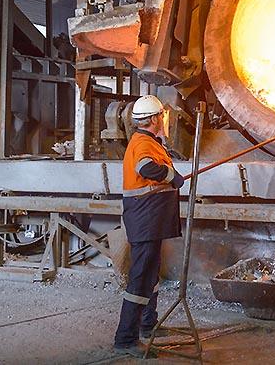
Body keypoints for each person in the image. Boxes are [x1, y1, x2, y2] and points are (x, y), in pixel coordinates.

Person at [113, 94, 186, 357]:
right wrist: (171, 176)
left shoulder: (149, 141)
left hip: (150, 220)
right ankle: (126, 338)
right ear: (154, 119)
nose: (164, 120)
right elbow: (145, 168)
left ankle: (147, 323)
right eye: (162, 116)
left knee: (151, 273)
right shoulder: (143, 142)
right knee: (141, 276)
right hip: (145, 220)